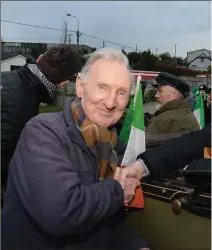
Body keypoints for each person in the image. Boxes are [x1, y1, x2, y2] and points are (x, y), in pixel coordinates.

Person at [2, 48, 149, 250]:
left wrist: (133, 245)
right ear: (80, 87)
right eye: (103, 88)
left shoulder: (109, 143)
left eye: (121, 92)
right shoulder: (43, 132)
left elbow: (102, 218)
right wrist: (117, 191)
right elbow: (60, 213)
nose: (111, 102)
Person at [1, 45, 81, 194]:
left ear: (38, 59)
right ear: (63, 83)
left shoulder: (8, 78)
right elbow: (6, 154)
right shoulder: (23, 103)